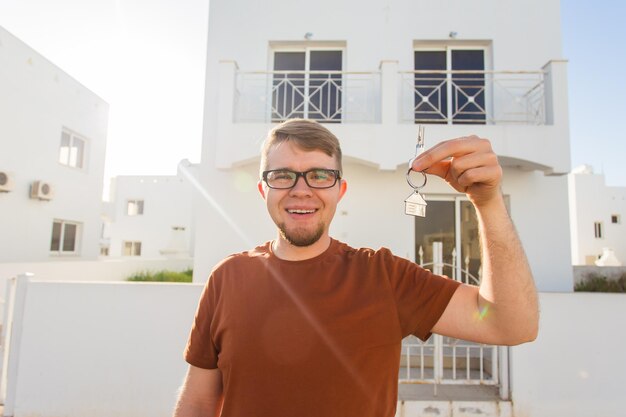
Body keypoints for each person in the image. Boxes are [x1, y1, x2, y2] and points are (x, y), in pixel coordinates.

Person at [173, 119, 539, 417]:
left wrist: (487, 202)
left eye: (319, 175)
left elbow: (512, 323)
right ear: (262, 190)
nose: (302, 190)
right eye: (283, 175)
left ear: (340, 190)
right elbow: (199, 405)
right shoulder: (227, 278)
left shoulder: (384, 276)